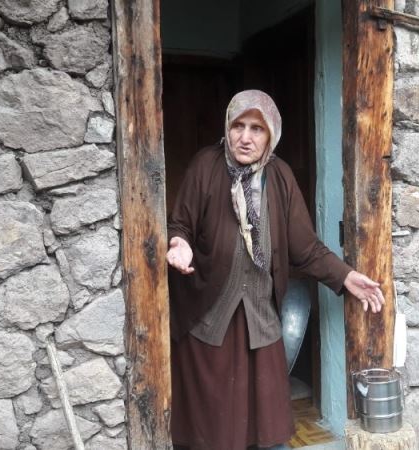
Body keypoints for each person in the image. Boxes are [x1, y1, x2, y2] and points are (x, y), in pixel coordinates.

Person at [167, 90, 385, 450]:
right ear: (227, 127)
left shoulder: (279, 176)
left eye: (257, 129)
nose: (245, 137)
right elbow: (181, 225)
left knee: (270, 423)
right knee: (213, 426)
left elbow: (305, 247)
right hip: (209, 314)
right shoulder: (205, 166)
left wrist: (346, 276)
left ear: (271, 135)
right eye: (238, 126)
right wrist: (180, 244)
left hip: (260, 316)